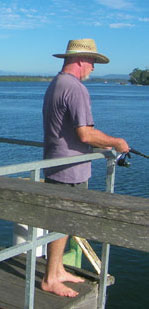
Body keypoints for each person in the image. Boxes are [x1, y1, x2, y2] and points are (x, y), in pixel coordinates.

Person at [41, 38, 129, 297]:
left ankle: (57, 271)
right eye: (92, 61)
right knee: (61, 221)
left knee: (63, 221)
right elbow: (85, 135)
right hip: (69, 168)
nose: (93, 67)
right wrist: (117, 142)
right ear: (80, 60)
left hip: (56, 163)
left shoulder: (56, 83)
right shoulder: (76, 88)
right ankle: (50, 278)